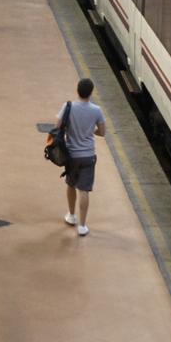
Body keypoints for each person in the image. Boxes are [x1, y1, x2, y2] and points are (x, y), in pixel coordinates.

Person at [57, 78, 106, 236]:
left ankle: (71, 216)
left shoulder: (68, 107)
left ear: (77, 90)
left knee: (71, 184)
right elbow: (102, 132)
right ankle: (83, 226)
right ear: (91, 93)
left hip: (71, 155)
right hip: (88, 155)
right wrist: (91, 131)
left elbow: (57, 127)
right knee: (84, 190)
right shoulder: (96, 110)